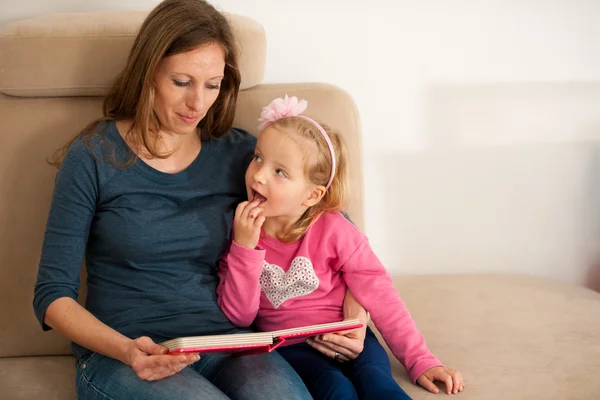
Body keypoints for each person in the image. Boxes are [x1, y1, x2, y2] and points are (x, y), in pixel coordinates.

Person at [32, 1, 368, 398]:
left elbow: (334, 230)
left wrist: (356, 316)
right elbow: (52, 296)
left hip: (230, 343)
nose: (198, 103)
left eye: (212, 85)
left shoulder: (241, 155)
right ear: (148, 73)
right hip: (122, 353)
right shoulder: (94, 156)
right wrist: (127, 351)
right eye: (181, 82)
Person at [216, 95, 466, 400]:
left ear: (311, 195)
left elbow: (382, 297)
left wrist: (419, 359)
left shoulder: (335, 230)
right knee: (335, 388)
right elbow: (240, 317)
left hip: (350, 339)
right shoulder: (239, 232)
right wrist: (245, 248)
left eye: (280, 172)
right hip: (294, 350)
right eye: (258, 158)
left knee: (378, 385)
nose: (258, 174)